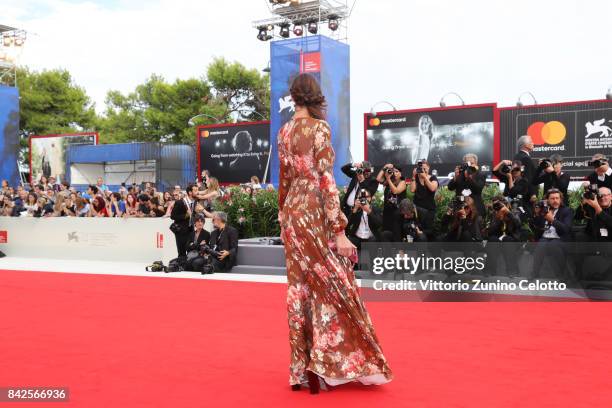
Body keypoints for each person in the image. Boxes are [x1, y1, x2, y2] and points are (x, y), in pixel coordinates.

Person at [277, 73, 393, 393]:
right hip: (314, 212)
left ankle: (300, 368)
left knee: (298, 289)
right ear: (315, 96)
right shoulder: (319, 128)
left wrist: (283, 215)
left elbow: (284, 180)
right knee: (333, 285)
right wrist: (339, 229)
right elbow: (327, 180)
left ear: (294, 96)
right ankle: (327, 365)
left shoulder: (284, 132)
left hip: (291, 216)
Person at [530, 188, 573, 280]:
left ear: (561, 199)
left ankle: (562, 276)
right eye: (552, 199)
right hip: (545, 237)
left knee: (554, 246)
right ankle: (534, 274)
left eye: (557, 198)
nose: (555, 201)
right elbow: (536, 226)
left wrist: (552, 220)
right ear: (547, 200)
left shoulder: (567, 210)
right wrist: (537, 215)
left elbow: (565, 229)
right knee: (540, 247)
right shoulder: (543, 210)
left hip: (559, 238)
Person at [376, 163, 407, 242]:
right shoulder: (389, 181)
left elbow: (396, 191)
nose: (395, 173)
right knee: (386, 233)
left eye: (397, 172)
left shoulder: (402, 182)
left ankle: (397, 250)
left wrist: (388, 179)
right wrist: (384, 168)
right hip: (387, 211)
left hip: (397, 212)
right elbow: (378, 179)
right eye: (393, 171)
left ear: (400, 173)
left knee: (396, 232)